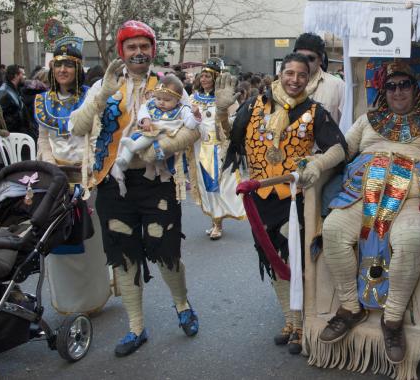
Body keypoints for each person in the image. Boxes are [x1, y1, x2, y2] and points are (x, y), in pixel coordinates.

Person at [70, 20, 200, 357]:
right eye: (132, 47)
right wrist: (101, 94)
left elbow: (193, 130)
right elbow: (78, 127)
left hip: (158, 182)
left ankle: (182, 304)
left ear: (153, 50)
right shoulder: (104, 84)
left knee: (166, 250)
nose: (139, 52)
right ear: (121, 51)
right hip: (114, 184)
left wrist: (163, 149)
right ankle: (135, 327)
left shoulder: (170, 85)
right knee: (123, 254)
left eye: (145, 46)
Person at [317, 59, 420, 364]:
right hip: (362, 195)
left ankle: (393, 320)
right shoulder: (366, 120)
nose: (398, 91)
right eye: (391, 86)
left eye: (405, 85)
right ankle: (350, 307)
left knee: (411, 237)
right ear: (382, 90)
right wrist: (317, 164)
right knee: (333, 230)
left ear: (417, 88)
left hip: (411, 199)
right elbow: (340, 151)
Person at [221, 52, 346, 355]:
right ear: (279, 74)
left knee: (294, 259)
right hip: (260, 197)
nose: (295, 80)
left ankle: (303, 325)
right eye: (289, 73)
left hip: (295, 199)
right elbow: (233, 140)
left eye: (301, 75)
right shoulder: (253, 106)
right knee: (274, 261)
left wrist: (316, 163)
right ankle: (289, 320)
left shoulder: (314, 111)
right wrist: (221, 112)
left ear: (309, 78)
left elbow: (341, 148)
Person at [34, 41, 111, 315]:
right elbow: (43, 138)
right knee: (58, 238)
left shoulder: (91, 97)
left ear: (78, 68)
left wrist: (88, 169)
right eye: (58, 64)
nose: (62, 69)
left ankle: (93, 298)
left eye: (68, 64)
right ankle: (67, 302)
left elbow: (98, 135)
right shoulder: (42, 101)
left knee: (89, 238)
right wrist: (51, 168)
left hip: (86, 177)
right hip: (56, 179)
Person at [112, 74, 200, 195]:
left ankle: (135, 147)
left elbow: (190, 125)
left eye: (167, 100)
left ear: (178, 99)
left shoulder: (183, 109)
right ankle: (124, 160)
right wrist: (145, 120)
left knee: (150, 138)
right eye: (159, 99)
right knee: (134, 137)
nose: (161, 103)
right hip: (149, 131)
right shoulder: (151, 104)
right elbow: (143, 109)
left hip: (167, 135)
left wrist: (196, 116)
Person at [190, 63, 245, 240]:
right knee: (207, 188)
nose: (204, 79)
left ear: (215, 79)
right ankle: (215, 220)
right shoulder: (194, 98)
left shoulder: (224, 97)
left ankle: (218, 223)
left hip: (219, 150)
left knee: (219, 186)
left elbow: (236, 120)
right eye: (202, 76)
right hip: (200, 148)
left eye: (208, 76)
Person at [294, 33, 345, 124]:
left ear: (321, 60)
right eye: (300, 57)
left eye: (310, 58)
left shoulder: (337, 86)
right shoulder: (284, 85)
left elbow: (345, 124)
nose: (304, 62)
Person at [0, 64, 35, 141]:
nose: (24, 77)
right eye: (22, 74)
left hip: (21, 133)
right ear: (16, 75)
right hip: (14, 135)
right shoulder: (4, 91)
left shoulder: (15, 89)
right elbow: (5, 116)